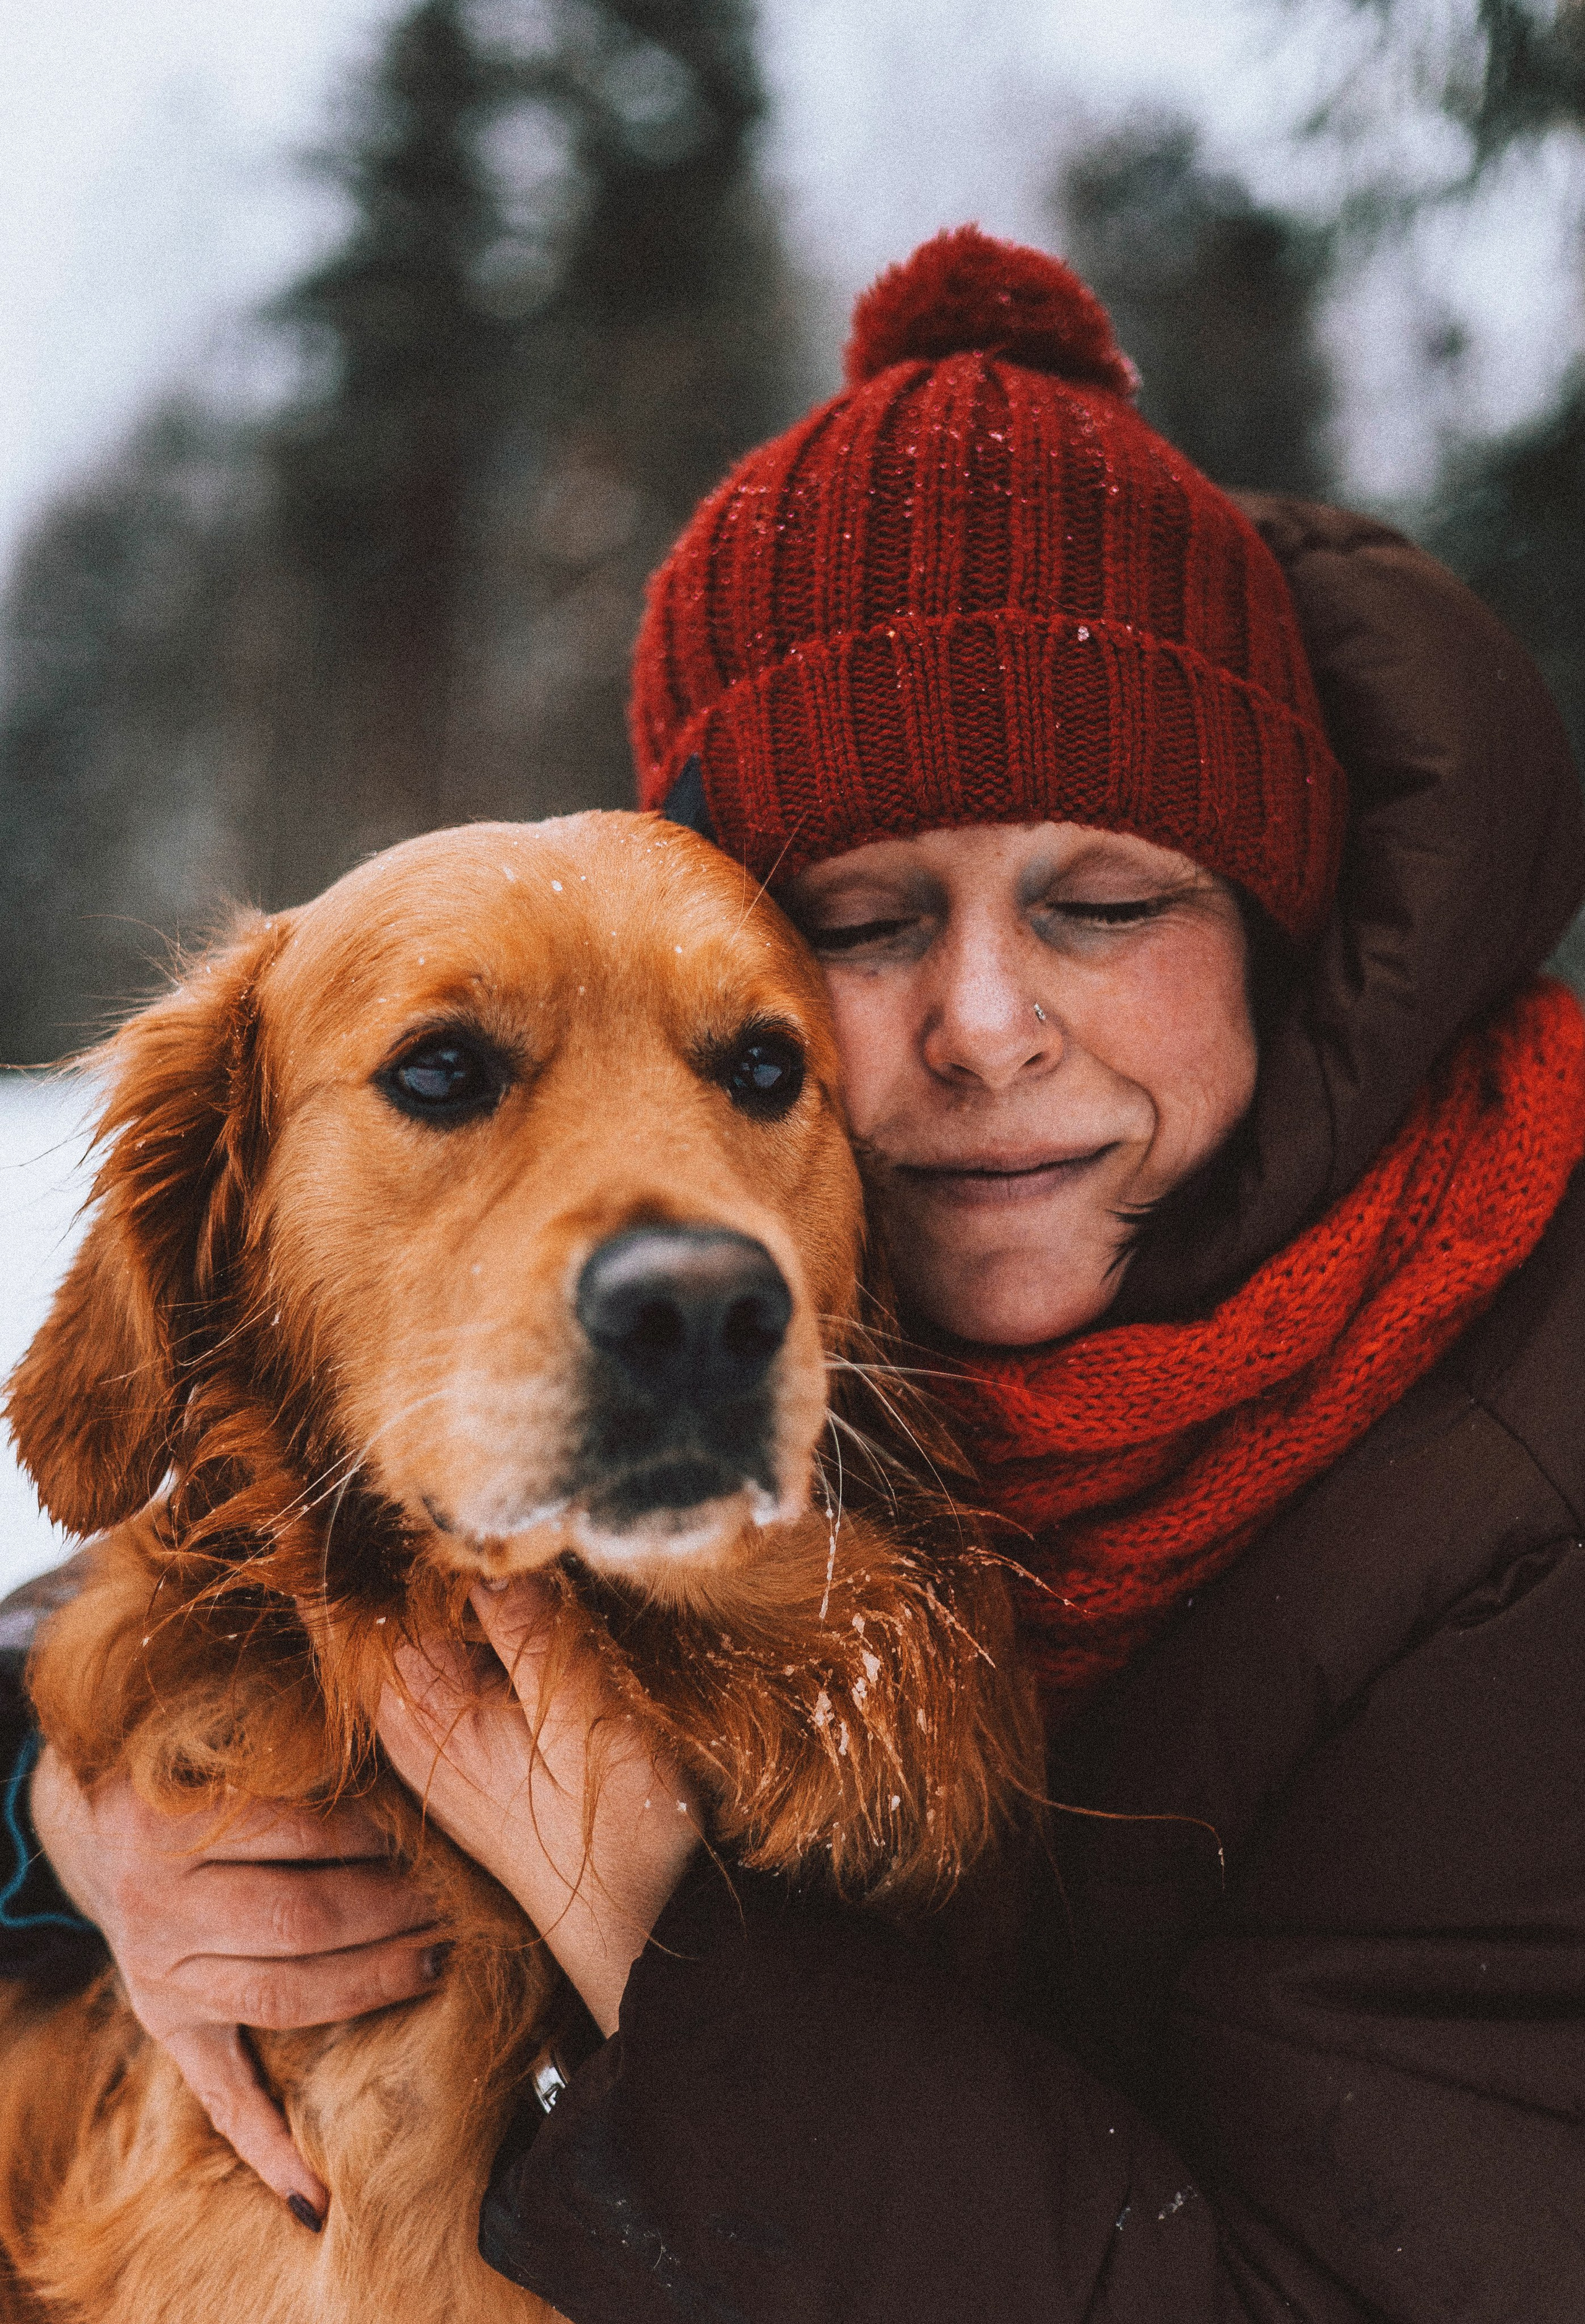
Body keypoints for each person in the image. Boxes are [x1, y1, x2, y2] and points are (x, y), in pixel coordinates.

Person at [7, 225, 1585, 2320]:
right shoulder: (919, 1277)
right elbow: (167, 1519)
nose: (989, 1027)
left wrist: (657, 1932)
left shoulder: (1519, 1490)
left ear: (1277, 934)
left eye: (1109, 899)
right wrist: (60, 1812)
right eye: (858, 924)